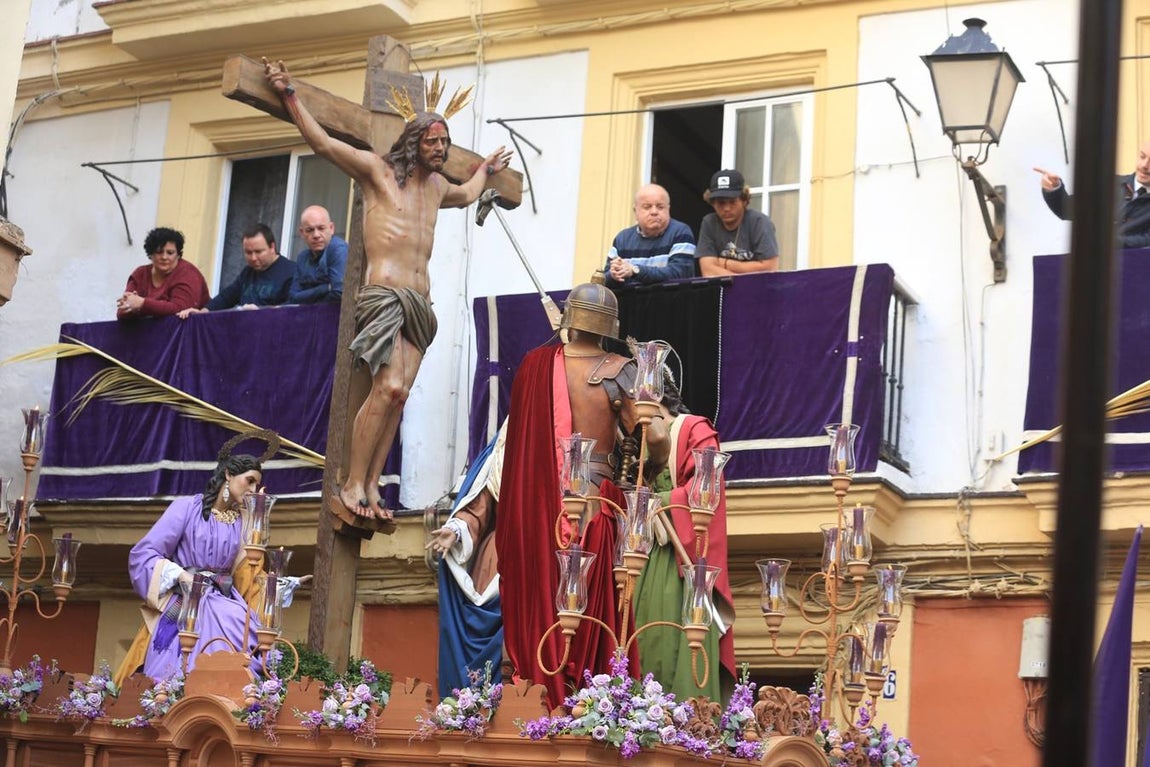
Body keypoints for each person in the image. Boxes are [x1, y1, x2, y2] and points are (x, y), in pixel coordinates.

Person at [264, 58, 513, 523]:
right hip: (384, 297)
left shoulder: (438, 187)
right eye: (432, 141)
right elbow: (321, 143)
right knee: (389, 386)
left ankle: (374, 484)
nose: (440, 148)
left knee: (399, 395)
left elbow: (468, 192)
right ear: (414, 142)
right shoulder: (377, 173)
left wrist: (486, 169)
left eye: (444, 141)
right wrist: (290, 95)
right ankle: (352, 481)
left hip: (421, 305)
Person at [493, 283, 669, 708]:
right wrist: (655, 469)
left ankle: (531, 693)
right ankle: (588, 700)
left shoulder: (534, 366)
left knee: (541, 608)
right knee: (590, 616)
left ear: (569, 318)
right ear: (610, 326)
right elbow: (659, 435)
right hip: (591, 506)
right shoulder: (620, 369)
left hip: (532, 511)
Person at [121, 431, 303, 682]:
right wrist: (180, 575)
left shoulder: (244, 524)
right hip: (187, 601)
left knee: (245, 642)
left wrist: (279, 586)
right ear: (228, 474)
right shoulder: (187, 508)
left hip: (224, 600)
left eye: (256, 484)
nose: (252, 489)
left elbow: (249, 576)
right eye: (249, 480)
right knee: (172, 666)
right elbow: (144, 554)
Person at [633, 374, 735, 702]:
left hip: (680, 561)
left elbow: (706, 493)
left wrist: (658, 503)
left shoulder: (694, 429)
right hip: (643, 555)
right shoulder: (635, 439)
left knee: (675, 637)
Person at [1035, 141, 1150, 249]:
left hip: (1138, 265)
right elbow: (1066, 210)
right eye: (1142, 156)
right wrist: (1054, 188)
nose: (1145, 165)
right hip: (1095, 266)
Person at [177, 224, 294, 318]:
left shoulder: (291, 272)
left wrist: (262, 312)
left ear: (272, 247)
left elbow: (293, 308)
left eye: (258, 252)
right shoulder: (248, 272)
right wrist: (202, 312)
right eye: (248, 252)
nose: (253, 258)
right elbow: (227, 297)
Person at [603, 184, 696, 289]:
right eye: (647, 207)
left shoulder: (681, 232)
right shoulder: (622, 239)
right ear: (635, 211)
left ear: (668, 209)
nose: (654, 212)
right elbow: (604, 281)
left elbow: (679, 273)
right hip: (631, 303)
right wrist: (614, 274)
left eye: (660, 207)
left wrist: (634, 270)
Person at [695, 169, 780, 277]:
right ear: (713, 203)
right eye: (721, 203)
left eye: (732, 202)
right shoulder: (709, 222)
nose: (726, 208)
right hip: (723, 291)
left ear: (744, 200)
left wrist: (725, 263)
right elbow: (708, 271)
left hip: (759, 289)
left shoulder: (760, 222)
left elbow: (770, 268)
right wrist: (743, 277)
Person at [116, 227, 210, 319]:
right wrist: (131, 306)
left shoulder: (188, 273)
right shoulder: (140, 274)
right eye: (159, 252)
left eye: (170, 253)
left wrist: (141, 304)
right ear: (151, 254)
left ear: (178, 255)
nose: (164, 257)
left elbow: (181, 309)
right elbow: (121, 313)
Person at [289, 205, 347, 304]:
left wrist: (308, 300)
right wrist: (325, 288)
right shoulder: (302, 257)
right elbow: (293, 297)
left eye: (321, 228)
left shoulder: (338, 249)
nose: (316, 235)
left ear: (331, 228)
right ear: (302, 233)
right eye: (309, 230)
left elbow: (339, 293)